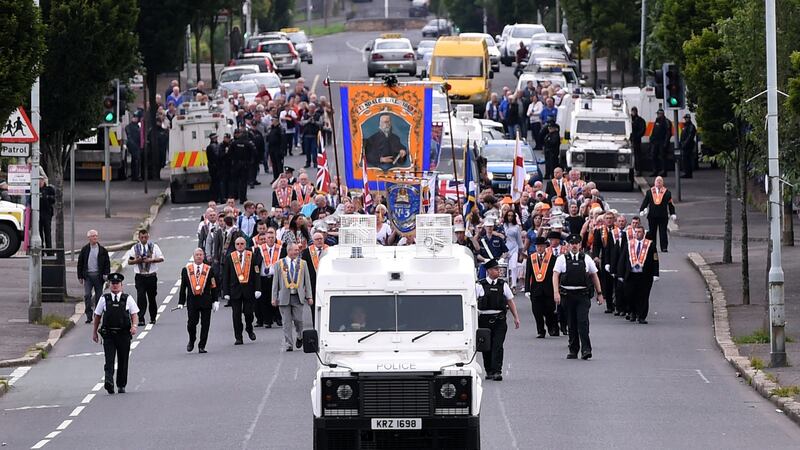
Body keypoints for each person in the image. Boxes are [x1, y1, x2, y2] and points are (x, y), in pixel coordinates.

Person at [552, 234, 604, 360]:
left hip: (582, 296)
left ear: (580, 245)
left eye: (576, 243)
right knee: (571, 323)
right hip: (567, 295)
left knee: (583, 322)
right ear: (568, 245)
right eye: (572, 243)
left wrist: (600, 293)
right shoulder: (561, 259)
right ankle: (573, 350)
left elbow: (594, 276)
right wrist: (556, 292)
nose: (574, 245)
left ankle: (586, 349)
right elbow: (555, 275)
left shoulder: (586, 258)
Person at [92, 273, 138, 394]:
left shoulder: (127, 298)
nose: (115, 286)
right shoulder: (104, 299)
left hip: (123, 334)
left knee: (123, 360)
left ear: (121, 285)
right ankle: (109, 382)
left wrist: (134, 326)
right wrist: (95, 332)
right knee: (109, 360)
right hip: (109, 335)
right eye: (113, 283)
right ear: (110, 285)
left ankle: (121, 384)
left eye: (117, 284)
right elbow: (97, 316)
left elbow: (134, 314)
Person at [475, 259, 521, 381]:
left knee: (498, 346)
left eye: (498, 269)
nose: (498, 271)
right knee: (487, 347)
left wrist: (516, 317)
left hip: (499, 320)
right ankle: (489, 370)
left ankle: (497, 371)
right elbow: (472, 304)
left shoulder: (503, 285)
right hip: (484, 319)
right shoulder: (480, 285)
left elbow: (510, 301)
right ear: (489, 271)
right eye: (496, 269)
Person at [272, 243, 313, 351]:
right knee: (286, 322)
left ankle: (299, 336)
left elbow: (307, 281)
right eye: (295, 250)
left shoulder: (303, 264)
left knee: (299, 320)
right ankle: (289, 343)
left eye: (297, 250)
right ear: (289, 251)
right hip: (284, 297)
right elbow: (275, 282)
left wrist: (309, 296)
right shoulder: (279, 264)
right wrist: (274, 297)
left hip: (297, 296)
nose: (297, 252)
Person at [176, 248, 219, 353]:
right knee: (191, 323)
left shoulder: (209, 269)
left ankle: (202, 345)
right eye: (197, 255)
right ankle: (192, 339)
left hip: (206, 301)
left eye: (201, 254)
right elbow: (183, 287)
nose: (199, 256)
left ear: (203, 256)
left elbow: (213, 286)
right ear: (193, 257)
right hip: (192, 301)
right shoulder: (186, 270)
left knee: (205, 324)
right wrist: (181, 302)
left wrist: (215, 300)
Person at [223, 237, 263, 345]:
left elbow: (256, 273)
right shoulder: (229, 257)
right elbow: (225, 276)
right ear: (235, 245)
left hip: (249, 290)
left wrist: (258, 288)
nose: (240, 245)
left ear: (245, 245)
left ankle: (249, 329)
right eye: (238, 244)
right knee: (236, 315)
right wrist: (226, 292)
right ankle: (238, 337)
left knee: (249, 313)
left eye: (242, 243)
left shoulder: (252, 256)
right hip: (234, 291)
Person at [617, 225, 659, 323]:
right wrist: (620, 274)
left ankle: (642, 316)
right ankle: (632, 312)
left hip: (644, 275)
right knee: (629, 295)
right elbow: (623, 259)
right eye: (636, 232)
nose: (637, 234)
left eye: (639, 232)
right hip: (631, 274)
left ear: (643, 234)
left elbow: (655, 259)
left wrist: (655, 273)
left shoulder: (650, 244)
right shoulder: (629, 244)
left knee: (643, 296)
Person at [125, 229, 164, 326]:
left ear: (148, 237)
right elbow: (129, 261)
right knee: (141, 297)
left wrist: (151, 260)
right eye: (142, 237)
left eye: (145, 237)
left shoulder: (154, 246)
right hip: (140, 276)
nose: (144, 239)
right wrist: (137, 260)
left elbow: (161, 258)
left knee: (152, 297)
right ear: (139, 238)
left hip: (151, 276)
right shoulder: (135, 248)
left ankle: (153, 317)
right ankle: (141, 318)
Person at [525, 236, 559, 338]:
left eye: (541, 246)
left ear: (545, 246)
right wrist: (527, 289)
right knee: (537, 311)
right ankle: (540, 330)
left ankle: (551, 327)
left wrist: (556, 289)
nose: (539, 248)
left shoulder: (552, 258)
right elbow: (528, 275)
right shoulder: (531, 258)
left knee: (549, 311)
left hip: (549, 290)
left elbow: (556, 275)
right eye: (537, 246)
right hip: (535, 290)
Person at [254, 227, 285, 328]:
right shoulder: (259, 249)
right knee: (265, 300)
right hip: (263, 278)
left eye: (272, 237)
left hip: (276, 277)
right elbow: (256, 264)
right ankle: (267, 320)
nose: (270, 239)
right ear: (265, 239)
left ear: (275, 238)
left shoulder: (280, 249)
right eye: (269, 237)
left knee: (277, 298)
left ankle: (278, 318)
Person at [78, 230, 111, 324]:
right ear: (89, 238)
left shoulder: (102, 250)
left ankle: (97, 315)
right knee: (87, 295)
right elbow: (80, 263)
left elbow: (107, 263)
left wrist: (106, 274)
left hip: (99, 276)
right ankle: (88, 315)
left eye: (96, 236)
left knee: (98, 297)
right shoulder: (85, 249)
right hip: (88, 276)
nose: (95, 238)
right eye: (93, 236)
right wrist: (80, 276)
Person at [591, 211, 619, 314]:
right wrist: (595, 256)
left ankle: (618, 304)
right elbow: (596, 245)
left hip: (617, 259)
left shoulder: (617, 231)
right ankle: (609, 305)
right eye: (607, 218)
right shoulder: (599, 231)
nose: (609, 220)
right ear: (604, 220)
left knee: (617, 283)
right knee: (607, 283)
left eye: (611, 218)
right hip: (605, 259)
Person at [639, 176, 676, 252]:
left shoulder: (667, 193)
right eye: (657, 181)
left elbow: (670, 204)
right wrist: (642, 209)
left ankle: (664, 247)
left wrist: (672, 213)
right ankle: (652, 247)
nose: (658, 182)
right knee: (652, 232)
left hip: (663, 216)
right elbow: (645, 202)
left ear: (662, 183)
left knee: (663, 232)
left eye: (660, 181)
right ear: (654, 182)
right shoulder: (649, 192)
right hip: (652, 216)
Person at [301, 232, 328, 327]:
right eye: (317, 239)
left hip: (326, 284)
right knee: (314, 307)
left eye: (321, 238)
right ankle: (315, 326)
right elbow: (303, 270)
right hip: (312, 284)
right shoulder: (307, 252)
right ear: (313, 241)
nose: (319, 241)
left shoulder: (329, 250)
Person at [649, 109, 672, 177]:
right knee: (653, 156)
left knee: (663, 157)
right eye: (657, 114)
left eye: (658, 113)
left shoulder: (666, 121)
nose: (657, 115)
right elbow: (654, 131)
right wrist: (651, 138)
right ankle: (655, 171)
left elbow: (668, 133)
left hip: (662, 141)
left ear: (662, 114)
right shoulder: (657, 121)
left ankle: (664, 171)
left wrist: (666, 142)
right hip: (655, 142)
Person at [39, 176, 56, 248]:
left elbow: (53, 200)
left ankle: (49, 250)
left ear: (44, 181)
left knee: (47, 232)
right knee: (39, 233)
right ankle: (41, 250)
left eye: (41, 180)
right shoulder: (35, 190)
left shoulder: (49, 189)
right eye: (38, 180)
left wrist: (47, 197)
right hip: (38, 213)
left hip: (47, 213)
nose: (40, 182)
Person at [630, 107, 646, 176]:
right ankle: (632, 170)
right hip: (630, 140)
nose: (633, 113)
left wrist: (636, 136)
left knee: (637, 156)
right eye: (632, 111)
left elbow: (642, 130)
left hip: (636, 141)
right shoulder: (629, 119)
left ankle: (638, 171)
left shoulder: (640, 120)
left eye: (634, 111)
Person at [125, 115, 142, 181]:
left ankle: (135, 175)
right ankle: (135, 176)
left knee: (135, 161)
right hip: (134, 146)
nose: (135, 119)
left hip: (136, 145)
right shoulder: (129, 127)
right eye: (134, 117)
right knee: (136, 160)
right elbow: (129, 137)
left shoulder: (137, 126)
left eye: (136, 117)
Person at [680, 114, 697, 178]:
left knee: (687, 160)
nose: (685, 119)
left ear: (689, 118)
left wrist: (685, 143)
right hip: (685, 145)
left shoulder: (691, 126)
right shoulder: (686, 126)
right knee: (685, 160)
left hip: (688, 146)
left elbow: (690, 137)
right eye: (685, 118)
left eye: (686, 118)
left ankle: (688, 173)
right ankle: (686, 172)